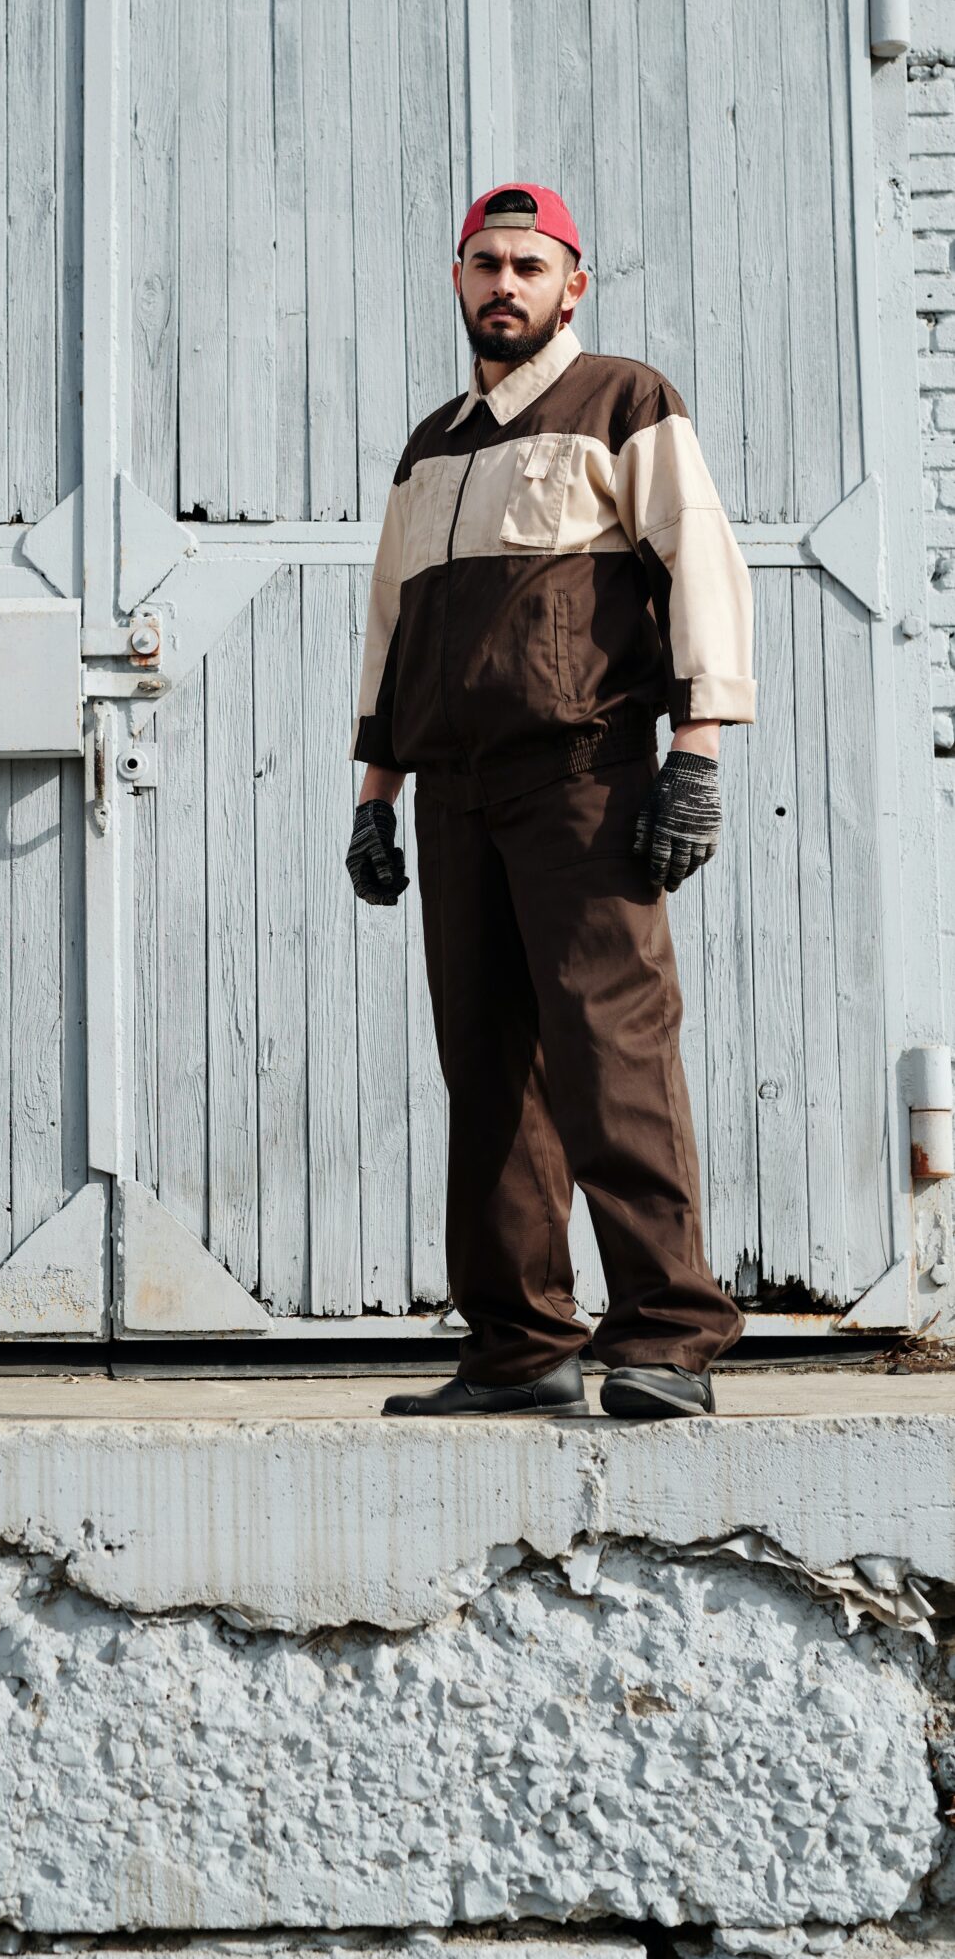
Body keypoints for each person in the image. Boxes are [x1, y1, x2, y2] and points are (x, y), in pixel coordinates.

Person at [348, 186, 753, 1422]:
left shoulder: (625, 401)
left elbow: (702, 568)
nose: (505, 283)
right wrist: (377, 791)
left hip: (583, 779)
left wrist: (697, 753)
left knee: (609, 1048)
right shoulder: (433, 445)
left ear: (573, 285)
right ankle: (520, 1346)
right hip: (454, 797)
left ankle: (666, 1334)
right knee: (487, 1067)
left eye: (530, 264)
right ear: (457, 279)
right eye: (485, 263)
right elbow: (392, 627)